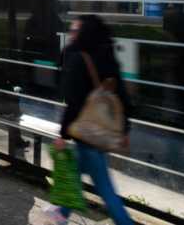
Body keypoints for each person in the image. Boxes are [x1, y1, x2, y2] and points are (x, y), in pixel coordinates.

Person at [45, 15, 134, 225]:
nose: (71, 34)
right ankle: (62, 212)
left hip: (87, 133)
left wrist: (63, 135)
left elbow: (74, 102)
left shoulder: (79, 59)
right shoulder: (107, 56)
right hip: (100, 131)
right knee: (76, 171)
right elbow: (121, 96)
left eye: (75, 31)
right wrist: (124, 129)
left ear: (85, 33)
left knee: (105, 189)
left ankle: (124, 222)